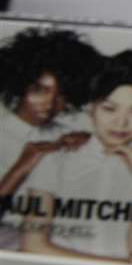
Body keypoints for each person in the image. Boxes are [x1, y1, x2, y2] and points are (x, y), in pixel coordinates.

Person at [21, 47, 132, 265]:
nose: (121, 123)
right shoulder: (56, 161)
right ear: (91, 108)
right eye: (109, 108)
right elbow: (32, 246)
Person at [0, 27, 102, 251]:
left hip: (62, 245)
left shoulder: (69, 135)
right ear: (18, 87)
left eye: (61, 94)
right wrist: (21, 167)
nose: (49, 103)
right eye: (39, 90)